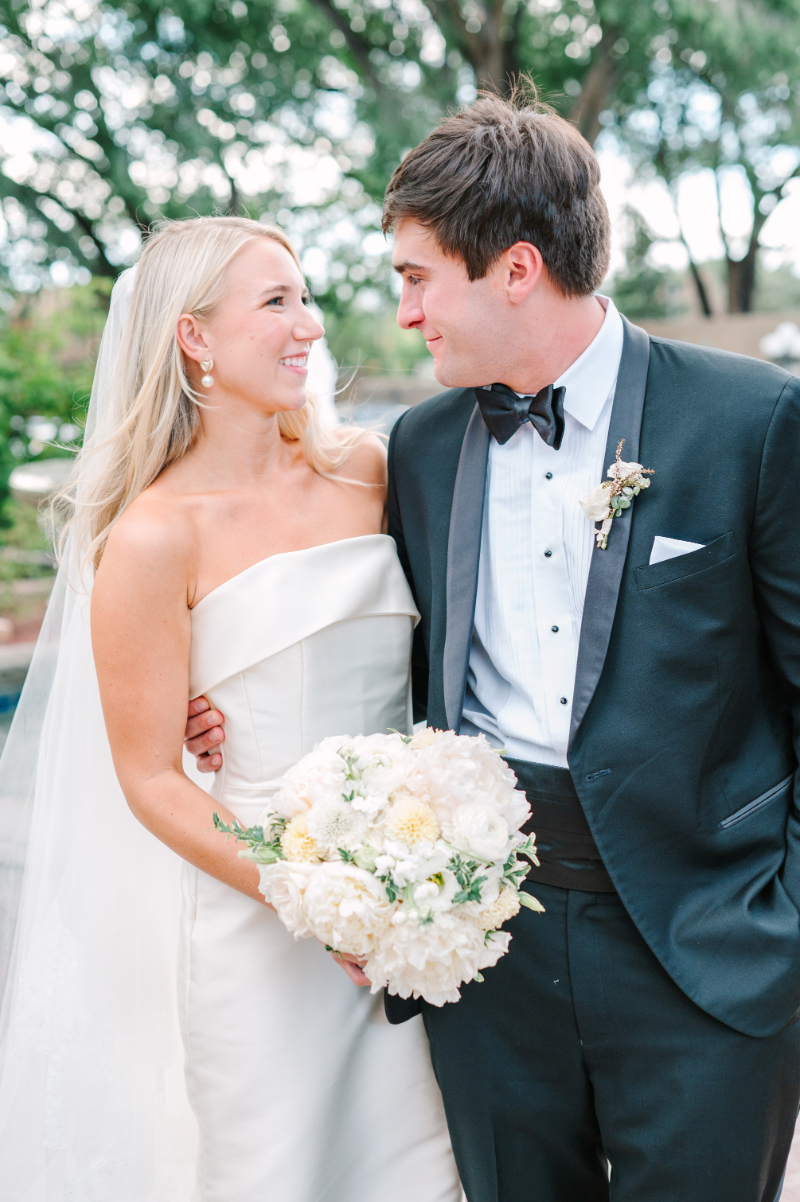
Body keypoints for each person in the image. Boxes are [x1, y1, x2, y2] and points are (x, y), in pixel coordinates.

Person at [190, 92, 800, 1201]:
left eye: (416, 276)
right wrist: (214, 690)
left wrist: (781, 921)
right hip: (481, 948)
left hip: (706, 948)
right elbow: (362, 636)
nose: (403, 311)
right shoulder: (415, 448)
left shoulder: (752, 420)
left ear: (515, 269)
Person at [0, 216, 460, 1202]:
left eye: (304, 296)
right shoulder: (153, 536)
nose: (309, 324)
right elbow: (151, 779)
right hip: (263, 927)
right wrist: (320, 898)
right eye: (275, 301)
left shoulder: (371, 473)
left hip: (415, 913)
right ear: (192, 336)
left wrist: (417, 878)